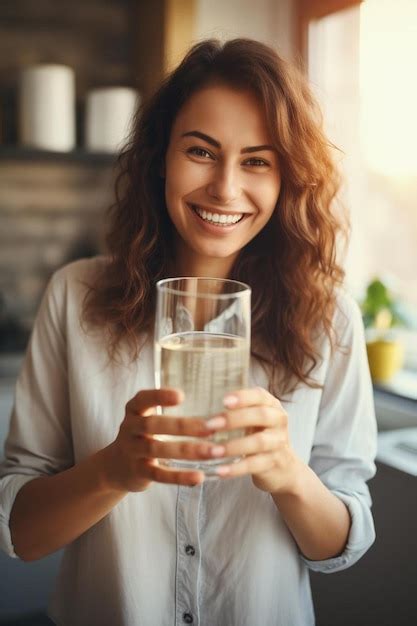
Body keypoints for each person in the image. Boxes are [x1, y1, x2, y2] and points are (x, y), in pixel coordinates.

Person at [0, 38, 377, 626]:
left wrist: (289, 477)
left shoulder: (331, 321)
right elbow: (22, 535)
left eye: (257, 160)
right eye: (201, 151)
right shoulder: (75, 297)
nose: (225, 188)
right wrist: (112, 470)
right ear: (159, 158)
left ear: (287, 180)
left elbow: (337, 550)